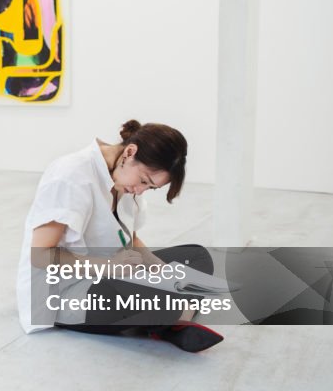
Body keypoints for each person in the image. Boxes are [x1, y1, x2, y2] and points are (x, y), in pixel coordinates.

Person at [15, 119, 224, 352]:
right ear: (130, 152)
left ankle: (167, 317)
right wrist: (109, 266)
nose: (141, 190)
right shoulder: (70, 176)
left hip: (113, 276)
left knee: (197, 256)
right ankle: (174, 318)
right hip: (66, 293)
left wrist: (160, 269)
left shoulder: (124, 177)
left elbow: (129, 236)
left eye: (150, 187)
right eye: (144, 180)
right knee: (168, 293)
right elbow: (41, 256)